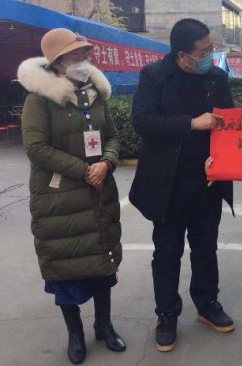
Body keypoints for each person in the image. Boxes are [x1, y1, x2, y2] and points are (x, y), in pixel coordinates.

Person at [18, 28, 125, 364]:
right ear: (57, 61)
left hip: (99, 192)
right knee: (65, 268)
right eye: (76, 55)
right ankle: (75, 335)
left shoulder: (95, 94)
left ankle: (104, 327)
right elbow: (36, 148)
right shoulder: (39, 99)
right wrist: (84, 170)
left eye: (85, 54)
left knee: (102, 263)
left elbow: (112, 137)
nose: (84, 60)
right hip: (60, 198)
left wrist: (107, 162)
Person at [129, 19, 235, 352]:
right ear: (182, 54)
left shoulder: (217, 78)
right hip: (168, 185)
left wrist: (221, 158)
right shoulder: (155, 77)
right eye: (203, 52)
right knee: (167, 252)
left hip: (207, 182)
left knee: (206, 248)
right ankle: (167, 314)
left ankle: (207, 304)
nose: (209, 56)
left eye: (211, 48)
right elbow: (143, 122)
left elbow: (229, 124)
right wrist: (192, 123)